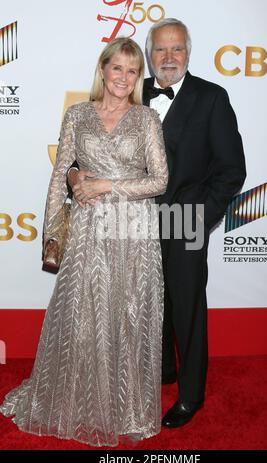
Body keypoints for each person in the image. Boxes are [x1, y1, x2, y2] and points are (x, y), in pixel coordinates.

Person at [68, 19, 247, 429]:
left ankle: (190, 394)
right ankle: (162, 370)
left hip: (184, 218)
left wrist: (198, 217)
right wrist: (75, 174)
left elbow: (231, 170)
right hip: (129, 220)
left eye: (177, 49)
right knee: (144, 301)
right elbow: (96, 147)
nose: (168, 58)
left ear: (188, 53)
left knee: (186, 307)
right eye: (160, 50)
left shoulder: (212, 98)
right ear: (148, 55)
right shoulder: (132, 90)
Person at [0, 38, 168, 447]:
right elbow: (61, 174)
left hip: (132, 230)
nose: (123, 79)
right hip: (90, 227)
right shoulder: (77, 115)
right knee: (83, 311)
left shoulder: (147, 119)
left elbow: (160, 181)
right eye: (117, 69)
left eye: (132, 71)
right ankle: (80, 401)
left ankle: (127, 408)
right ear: (103, 69)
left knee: (127, 315)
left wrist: (105, 183)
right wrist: (54, 232)